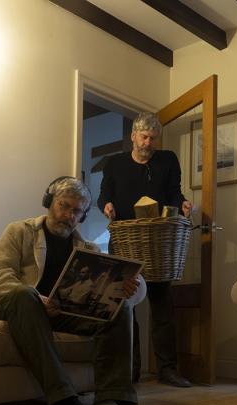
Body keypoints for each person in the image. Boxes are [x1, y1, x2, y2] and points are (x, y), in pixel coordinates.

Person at [0, 176, 143, 405]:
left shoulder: (86, 247)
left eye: (76, 211)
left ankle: (109, 400)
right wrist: (37, 297)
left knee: (117, 310)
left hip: (59, 313)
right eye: (63, 205)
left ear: (82, 216)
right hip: (13, 307)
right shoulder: (19, 231)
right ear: (49, 202)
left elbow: (126, 287)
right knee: (25, 296)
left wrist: (131, 287)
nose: (68, 215)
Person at [98, 112, 193, 387]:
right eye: (144, 137)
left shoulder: (167, 160)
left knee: (163, 307)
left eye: (153, 138)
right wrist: (106, 206)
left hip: (157, 243)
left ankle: (167, 370)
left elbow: (174, 192)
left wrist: (183, 203)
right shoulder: (114, 163)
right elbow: (104, 195)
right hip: (125, 240)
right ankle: (131, 370)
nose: (148, 143)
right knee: (125, 306)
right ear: (133, 136)